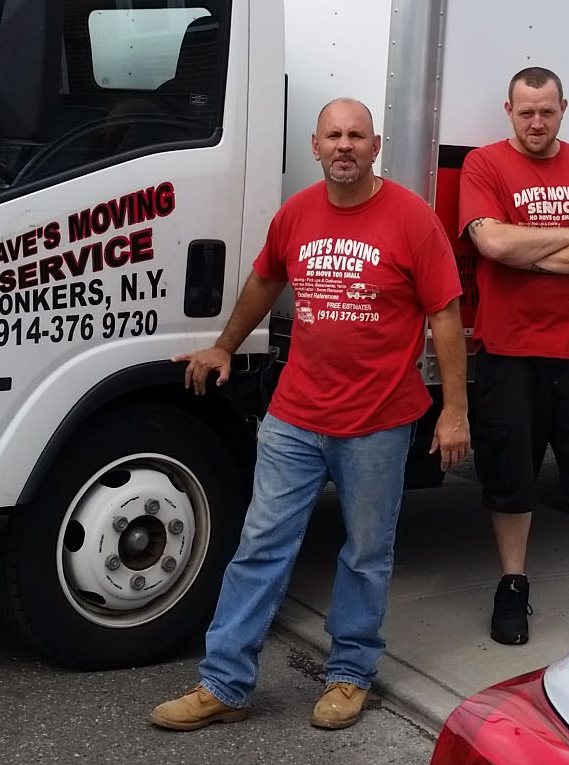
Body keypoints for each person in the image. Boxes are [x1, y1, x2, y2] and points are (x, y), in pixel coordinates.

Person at [150, 97, 470, 732]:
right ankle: (224, 684)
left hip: (379, 422)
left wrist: (454, 409)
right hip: (294, 418)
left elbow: (445, 314)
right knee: (259, 547)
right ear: (315, 146)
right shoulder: (296, 213)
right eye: (334, 135)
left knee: (366, 554)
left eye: (356, 135)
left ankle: (350, 673)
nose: (344, 145)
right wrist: (224, 345)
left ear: (375, 147)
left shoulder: (412, 218)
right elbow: (265, 281)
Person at [458, 66, 569, 646]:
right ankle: (513, 585)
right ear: (509, 111)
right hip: (509, 349)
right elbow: (492, 241)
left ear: (564, 110)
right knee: (511, 479)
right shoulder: (484, 164)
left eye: (547, 111)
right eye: (527, 111)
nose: (537, 122)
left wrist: (527, 251)